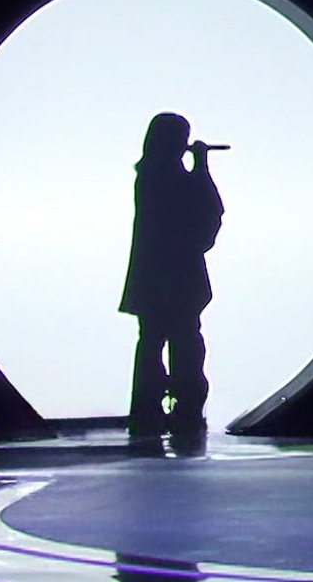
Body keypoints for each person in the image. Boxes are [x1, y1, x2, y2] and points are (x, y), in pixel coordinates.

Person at [119, 113, 226, 439]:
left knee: (153, 342)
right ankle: (186, 410)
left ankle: (150, 410)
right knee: (185, 343)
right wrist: (201, 166)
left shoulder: (150, 174)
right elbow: (207, 208)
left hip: (152, 278)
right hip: (178, 277)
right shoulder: (165, 176)